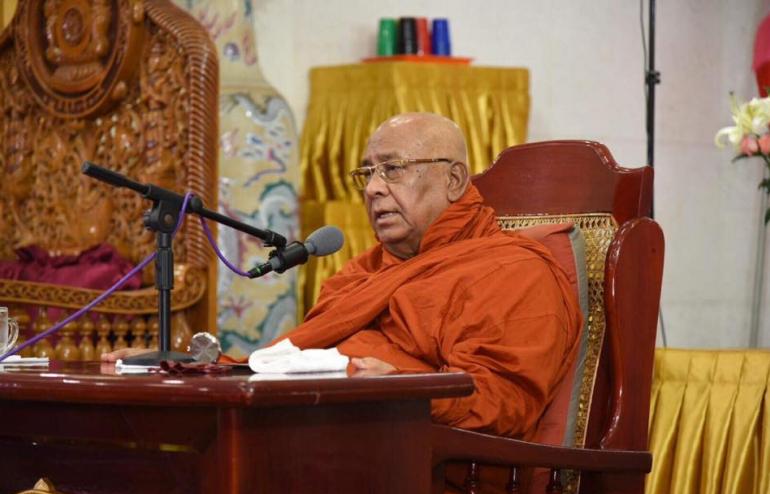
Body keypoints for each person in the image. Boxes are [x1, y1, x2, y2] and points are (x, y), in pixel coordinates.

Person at [104, 112, 581, 439]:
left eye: (392, 170)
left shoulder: (512, 270)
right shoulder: (368, 271)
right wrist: (194, 367)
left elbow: (504, 404)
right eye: (368, 173)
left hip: (419, 466)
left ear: (454, 181)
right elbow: (295, 364)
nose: (373, 188)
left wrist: (402, 391)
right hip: (334, 437)